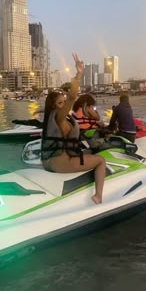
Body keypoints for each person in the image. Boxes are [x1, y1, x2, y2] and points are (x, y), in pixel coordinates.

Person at [41, 53, 106, 204]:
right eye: (60, 103)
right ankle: (98, 196)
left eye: (64, 102)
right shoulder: (60, 117)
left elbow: (57, 109)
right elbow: (72, 97)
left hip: (49, 161)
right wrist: (78, 74)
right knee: (101, 161)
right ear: (54, 106)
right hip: (61, 163)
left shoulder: (53, 116)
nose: (64, 105)